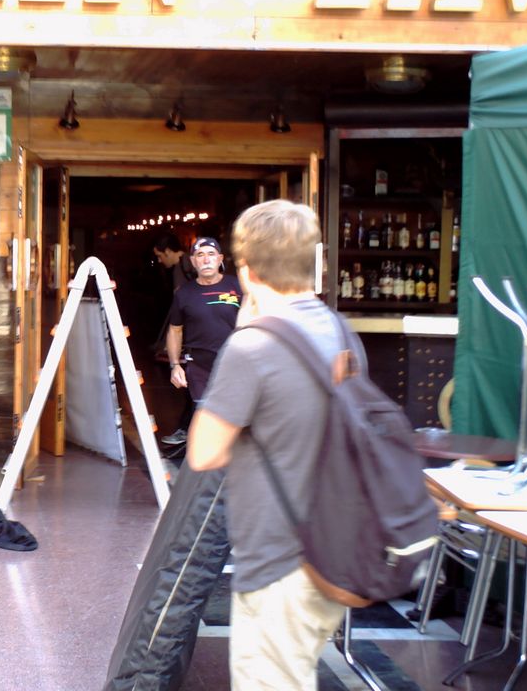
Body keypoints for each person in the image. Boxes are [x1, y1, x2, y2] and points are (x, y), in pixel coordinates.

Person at [186, 200, 351, 690]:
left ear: (247, 271)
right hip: (334, 549)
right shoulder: (338, 329)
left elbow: (204, 452)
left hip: (279, 562)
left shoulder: (253, 345)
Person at [160, 237, 242, 446]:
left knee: (235, 420)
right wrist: (175, 365)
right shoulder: (184, 293)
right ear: (193, 261)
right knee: (206, 420)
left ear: (220, 259)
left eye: (211, 254)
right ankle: (207, 461)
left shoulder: (237, 286)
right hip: (199, 367)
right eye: (200, 255)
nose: (206, 260)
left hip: (234, 364)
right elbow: (175, 330)